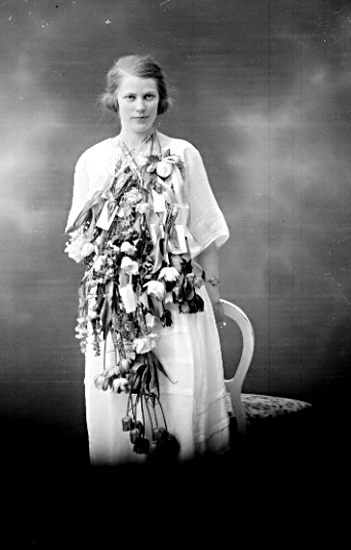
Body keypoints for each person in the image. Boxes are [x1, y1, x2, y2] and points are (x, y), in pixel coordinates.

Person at [65, 54, 230, 466]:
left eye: (149, 97)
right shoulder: (93, 160)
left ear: (161, 100)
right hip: (118, 305)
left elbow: (206, 227)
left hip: (175, 300)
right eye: (131, 97)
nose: (140, 107)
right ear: (114, 100)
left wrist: (211, 293)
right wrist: (117, 279)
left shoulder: (183, 154)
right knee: (121, 397)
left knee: (179, 393)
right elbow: (84, 238)